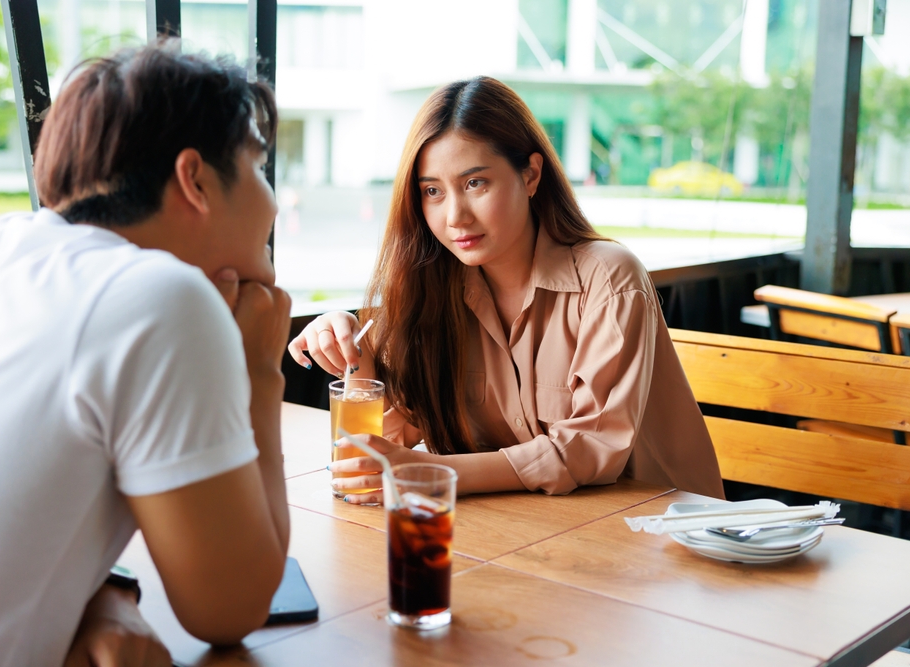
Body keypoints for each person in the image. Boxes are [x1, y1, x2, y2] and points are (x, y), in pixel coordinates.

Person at [0, 43, 291, 666]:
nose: (273, 200)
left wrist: (108, 592)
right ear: (195, 179)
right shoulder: (159, 297)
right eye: (258, 169)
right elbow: (230, 608)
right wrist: (258, 370)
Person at [288, 76, 723, 502]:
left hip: (664, 537)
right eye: (433, 191)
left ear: (531, 175)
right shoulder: (434, 292)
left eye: (475, 183)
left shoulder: (609, 280)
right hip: (533, 532)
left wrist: (425, 470)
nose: (455, 216)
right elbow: (385, 442)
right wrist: (351, 349)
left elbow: (591, 450)